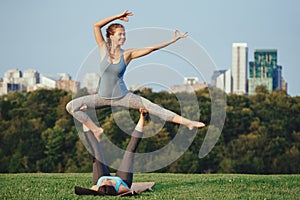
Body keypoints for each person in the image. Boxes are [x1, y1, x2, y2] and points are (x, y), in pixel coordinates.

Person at [66, 10, 205, 141]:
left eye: (124, 34)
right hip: (101, 97)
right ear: (111, 36)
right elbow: (96, 26)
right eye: (120, 34)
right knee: (71, 106)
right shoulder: (103, 48)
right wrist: (117, 16)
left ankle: (188, 123)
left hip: (123, 97)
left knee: (153, 107)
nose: (123, 37)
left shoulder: (128, 54)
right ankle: (96, 130)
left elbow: (151, 48)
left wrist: (173, 40)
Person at [75, 108, 148, 196]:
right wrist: (140, 190)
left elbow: (79, 190)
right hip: (122, 180)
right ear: (113, 187)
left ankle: (84, 114)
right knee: (130, 152)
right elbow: (133, 192)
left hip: (100, 176)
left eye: (103, 183)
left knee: (96, 152)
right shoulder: (121, 189)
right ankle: (143, 117)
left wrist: (82, 116)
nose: (106, 181)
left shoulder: (97, 187)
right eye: (107, 183)